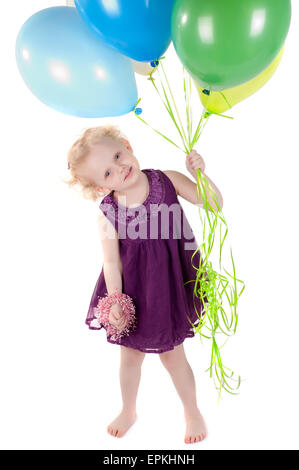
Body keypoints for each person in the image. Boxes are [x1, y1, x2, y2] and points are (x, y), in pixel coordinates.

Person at [65, 125, 223, 444]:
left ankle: (192, 411)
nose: (121, 168)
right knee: (129, 357)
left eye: (118, 156)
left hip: (169, 286)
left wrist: (201, 174)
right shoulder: (108, 214)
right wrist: (117, 302)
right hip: (135, 293)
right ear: (99, 188)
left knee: (173, 355)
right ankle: (128, 409)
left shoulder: (166, 180)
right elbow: (111, 262)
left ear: (127, 145)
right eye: (108, 172)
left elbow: (214, 204)